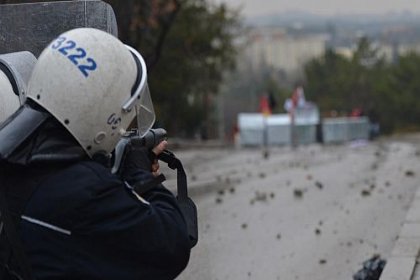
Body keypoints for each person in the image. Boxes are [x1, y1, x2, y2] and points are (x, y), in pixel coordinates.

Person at [0, 28, 191, 279]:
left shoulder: (14, 155)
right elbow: (172, 245)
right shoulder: (86, 189)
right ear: (104, 118)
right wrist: (141, 176)